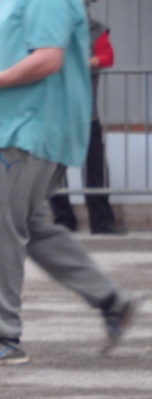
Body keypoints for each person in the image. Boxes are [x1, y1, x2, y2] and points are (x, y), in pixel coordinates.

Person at [0, 0, 143, 367]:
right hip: (16, 129)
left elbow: (48, 60)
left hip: (25, 131)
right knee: (36, 228)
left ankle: (3, 337)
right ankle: (112, 300)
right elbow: (13, 53)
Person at [49, 1, 125, 235]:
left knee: (95, 167)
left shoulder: (97, 30)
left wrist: (75, 64)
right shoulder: (52, 30)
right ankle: (63, 220)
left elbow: (106, 57)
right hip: (55, 112)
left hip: (86, 112)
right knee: (53, 170)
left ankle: (102, 221)